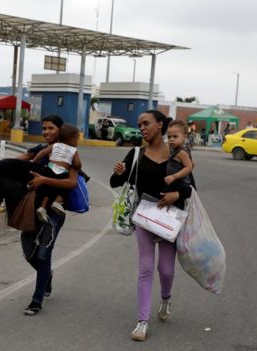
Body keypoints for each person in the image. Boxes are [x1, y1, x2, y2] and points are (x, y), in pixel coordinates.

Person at [109, 110, 192, 342]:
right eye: (139, 124)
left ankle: (165, 298)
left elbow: (190, 187)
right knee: (145, 268)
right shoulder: (136, 153)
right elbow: (116, 182)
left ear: (160, 125)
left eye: (146, 123)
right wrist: (117, 173)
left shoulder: (177, 153)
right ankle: (142, 321)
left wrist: (176, 194)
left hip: (169, 218)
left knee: (166, 270)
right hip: (144, 216)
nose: (142, 128)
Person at [16, 114, 79, 315]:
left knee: (43, 254)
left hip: (54, 210)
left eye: (51, 128)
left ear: (60, 131)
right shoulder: (40, 151)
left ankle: (36, 300)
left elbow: (71, 182)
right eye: (44, 128)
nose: (46, 132)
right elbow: (22, 160)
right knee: (28, 253)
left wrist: (44, 180)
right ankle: (47, 275)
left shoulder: (69, 152)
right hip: (32, 208)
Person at [31, 124, 82, 222]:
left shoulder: (55, 145)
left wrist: (34, 161)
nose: (77, 142)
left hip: (49, 169)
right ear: (71, 139)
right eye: (77, 139)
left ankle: (42, 207)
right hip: (62, 172)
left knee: (48, 189)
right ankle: (57, 202)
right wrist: (76, 166)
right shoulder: (73, 150)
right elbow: (78, 164)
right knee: (65, 187)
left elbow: (42, 153)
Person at [164, 120, 193, 191]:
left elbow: (189, 167)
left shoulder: (181, 152)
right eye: (169, 137)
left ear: (184, 136)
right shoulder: (175, 149)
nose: (171, 139)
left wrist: (173, 177)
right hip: (175, 182)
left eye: (175, 136)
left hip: (179, 184)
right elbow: (193, 164)